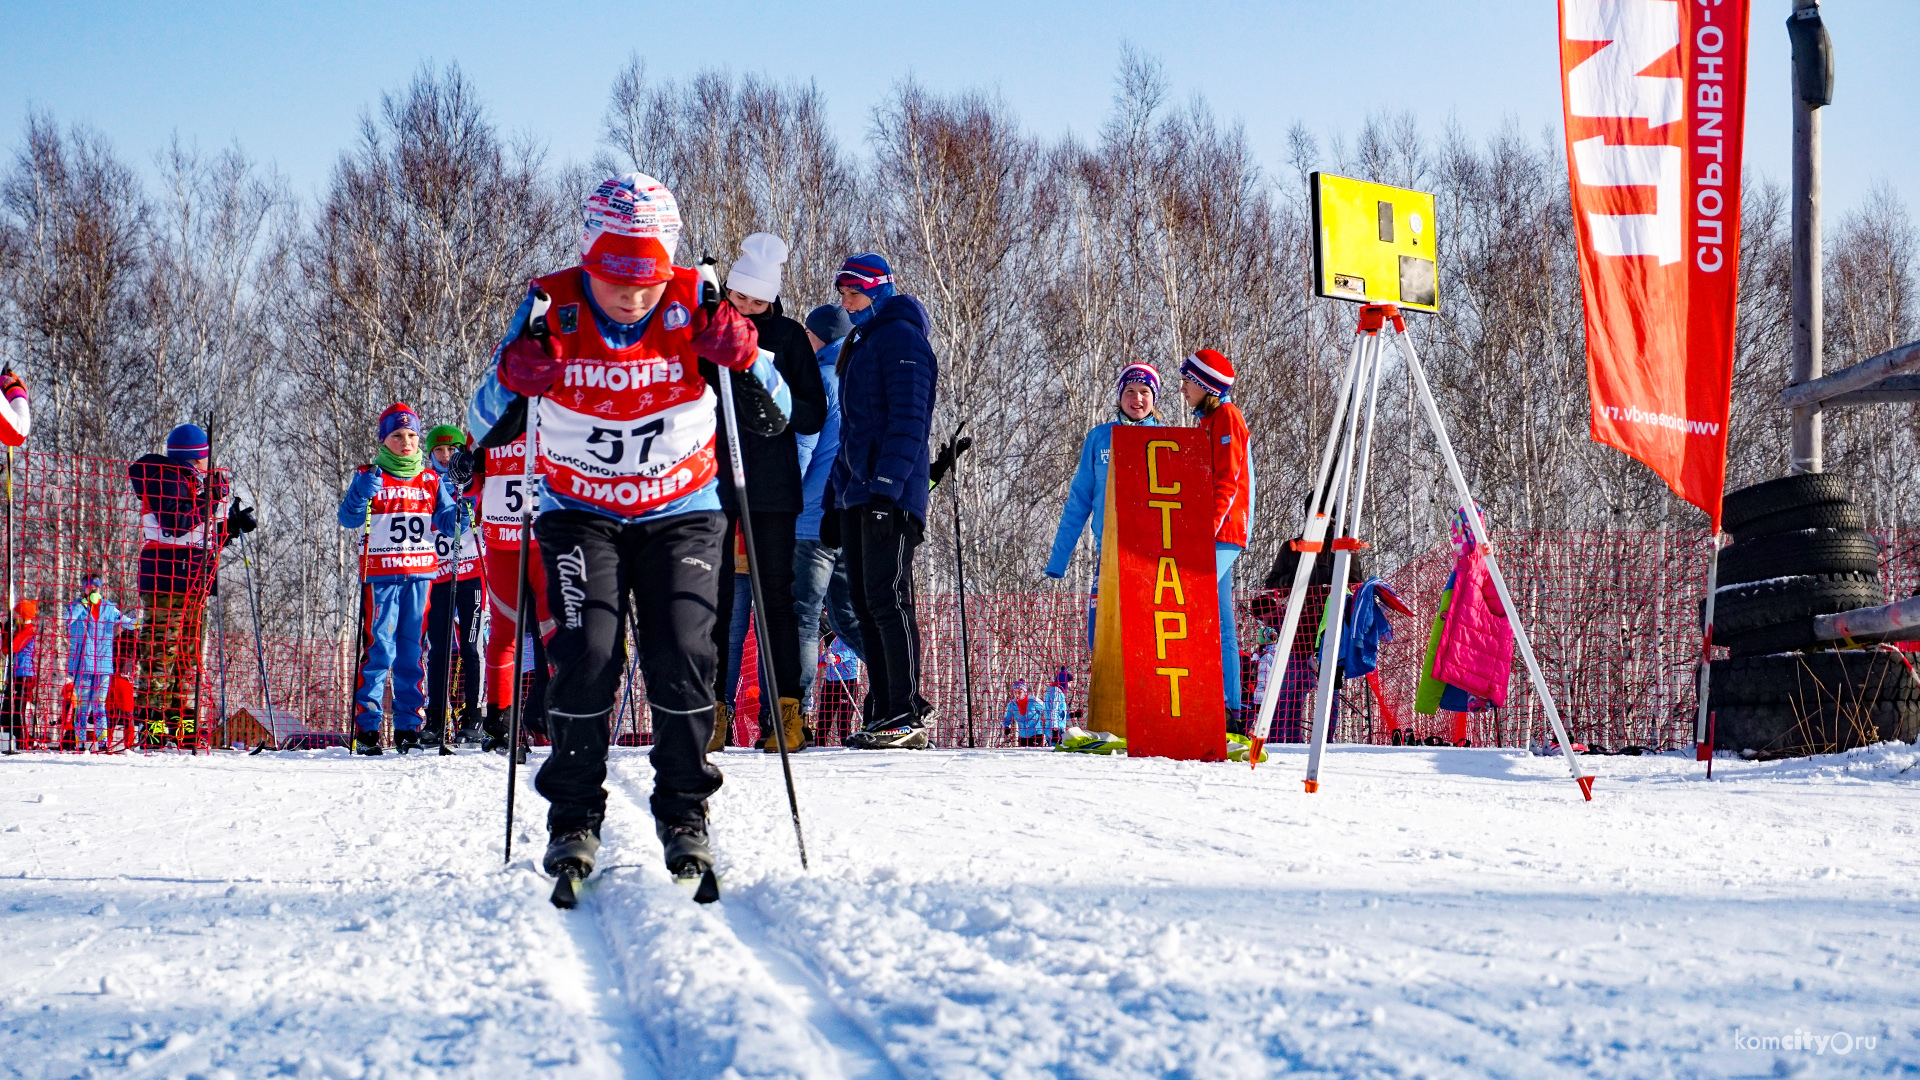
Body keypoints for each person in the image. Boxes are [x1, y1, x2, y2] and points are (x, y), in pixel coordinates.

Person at [467, 172, 781, 883]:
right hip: (581, 511)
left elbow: (781, 411)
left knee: (682, 649)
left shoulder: (696, 300)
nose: (633, 296)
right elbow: (482, 423)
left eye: (647, 279)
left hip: (682, 509)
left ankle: (683, 809)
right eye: (616, 277)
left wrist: (744, 356)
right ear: (589, 258)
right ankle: (574, 815)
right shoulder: (553, 306)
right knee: (587, 653)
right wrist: (515, 375)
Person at [707, 233, 827, 755]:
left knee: (774, 597)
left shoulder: (790, 337)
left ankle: (784, 713)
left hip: (773, 487)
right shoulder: (708, 330)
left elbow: (813, 413)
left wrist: (773, 404)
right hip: (711, 480)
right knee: (712, 598)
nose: (749, 310)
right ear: (728, 291)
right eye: (740, 300)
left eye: (758, 302)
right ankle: (709, 711)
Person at [819, 252, 939, 750]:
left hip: (889, 493)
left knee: (889, 599)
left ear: (879, 291)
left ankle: (906, 711)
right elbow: (852, 431)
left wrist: (887, 490)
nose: (847, 305)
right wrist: (833, 500)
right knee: (867, 603)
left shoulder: (903, 339)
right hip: (856, 493)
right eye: (844, 296)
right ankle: (885, 708)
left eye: (855, 295)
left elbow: (909, 422)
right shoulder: (861, 341)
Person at [338, 403, 458, 755]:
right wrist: (360, 491)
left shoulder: (431, 479)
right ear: (383, 440)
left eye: (411, 435)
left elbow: (452, 522)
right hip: (383, 575)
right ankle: (369, 728)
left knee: (411, 652)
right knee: (379, 651)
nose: (406, 442)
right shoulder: (372, 475)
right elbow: (348, 519)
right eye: (397, 436)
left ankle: (408, 725)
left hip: (420, 576)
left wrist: (459, 504)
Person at [128, 423, 245, 748]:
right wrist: (210, 498)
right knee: (161, 651)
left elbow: (200, 533)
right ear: (196, 457)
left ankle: (182, 722)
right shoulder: (166, 476)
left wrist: (231, 526)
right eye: (206, 456)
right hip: (168, 578)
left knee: (187, 654)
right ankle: (152, 725)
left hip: (193, 576)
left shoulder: (190, 482)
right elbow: (175, 522)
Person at [1044, 363, 1163, 647]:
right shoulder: (1100, 437)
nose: (1137, 399)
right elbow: (1078, 502)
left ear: (1154, 397)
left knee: (1146, 635)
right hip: (1110, 551)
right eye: (1130, 391)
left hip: (1153, 556)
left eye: (1145, 391)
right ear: (1120, 396)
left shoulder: (1167, 439)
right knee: (1100, 635)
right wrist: (1057, 561)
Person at [791, 304, 866, 724]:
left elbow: (803, 449)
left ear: (820, 335)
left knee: (803, 617)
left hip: (809, 520)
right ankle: (902, 696)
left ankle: (794, 715)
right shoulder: (858, 378)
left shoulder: (818, 380)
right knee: (848, 618)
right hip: (846, 515)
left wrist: (783, 501)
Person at [1179, 349, 1255, 718]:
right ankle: (1230, 706)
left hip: (1223, 533)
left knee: (1199, 611)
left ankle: (1221, 703)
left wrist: (1205, 530)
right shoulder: (1206, 420)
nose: (1182, 389)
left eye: (1187, 381)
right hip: (1213, 532)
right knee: (1221, 621)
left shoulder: (1227, 416)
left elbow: (1229, 479)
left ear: (1205, 384)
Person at [472, 423, 551, 750]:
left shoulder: (558, 408)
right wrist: (466, 474)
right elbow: (471, 485)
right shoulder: (487, 417)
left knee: (559, 632)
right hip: (503, 544)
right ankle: (500, 720)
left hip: (549, 543)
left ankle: (566, 716)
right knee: (505, 631)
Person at [424, 424, 483, 746]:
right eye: (440, 451)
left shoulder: (475, 482)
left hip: (472, 574)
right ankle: (434, 717)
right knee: (439, 652)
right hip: (439, 578)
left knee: (472, 648)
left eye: (452, 450)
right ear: (431, 454)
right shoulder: (428, 483)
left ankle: (472, 716)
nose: (446, 457)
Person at [65, 574, 137, 752]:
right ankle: (80, 744)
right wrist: (82, 604)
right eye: (88, 587)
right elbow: (67, 619)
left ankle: (103, 743)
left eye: (95, 587)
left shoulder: (109, 608)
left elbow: (128, 623)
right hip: (83, 665)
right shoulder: (76, 606)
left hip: (103, 666)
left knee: (100, 706)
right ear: (84, 588)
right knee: (82, 707)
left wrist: (139, 619)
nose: (92, 590)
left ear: (100, 588)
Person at [814, 626, 860, 746]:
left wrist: (838, 658)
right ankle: (819, 744)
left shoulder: (849, 633)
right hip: (830, 681)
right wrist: (820, 661)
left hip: (847, 682)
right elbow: (827, 656)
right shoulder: (828, 637)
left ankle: (846, 745)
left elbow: (851, 651)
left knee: (843, 720)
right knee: (824, 717)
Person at [3, 600, 36, 751]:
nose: (15, 617)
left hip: (24, 675)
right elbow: (5, 650)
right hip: (15, 674)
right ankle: (11, 737)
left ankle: (23, 741)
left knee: (19, 709)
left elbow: (13, 647)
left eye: (17, 614)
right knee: (8, 708)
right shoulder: (19, 629)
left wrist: (11, 632)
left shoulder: (28, 630)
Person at [1002, 679, 1046, 747]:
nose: (1017, 695)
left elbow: (1047, 710)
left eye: (1019, 692)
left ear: (1024, 692)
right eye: (1015, 692)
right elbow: (1007, 718)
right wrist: (1006, 726)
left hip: (1036, 734)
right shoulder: (1012, 705)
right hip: (1022, 736)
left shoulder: (1033, 701)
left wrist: (1050, 724)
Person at [1042, 667, 1073, 745]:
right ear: (1065, 681)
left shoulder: (1056, 691)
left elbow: (1060, 714)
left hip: (1057, 728)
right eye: (1070, 683)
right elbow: (1053, 710)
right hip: (1055, 730)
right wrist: (1055, 729)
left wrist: (1072, 715)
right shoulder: (1056, 691)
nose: (1070, 686)